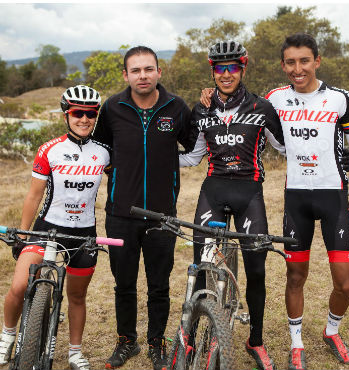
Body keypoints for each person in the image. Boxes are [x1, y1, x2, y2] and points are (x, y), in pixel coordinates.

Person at [180, 40, 286, 370]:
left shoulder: (262, 107)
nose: (226, 75)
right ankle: (191, 337)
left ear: (242, 69)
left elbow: (286, 148)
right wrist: (150, 156)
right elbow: (194, 156)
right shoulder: (202, 110)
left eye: (232, 68)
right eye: (219, 69)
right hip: (213, 190)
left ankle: (255, 340)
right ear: (212, 72)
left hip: (249, 194)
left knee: (256, 269)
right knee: (201, 266)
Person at [264, 33, 349, 370]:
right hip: (296, 198)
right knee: (295, 276)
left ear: (317, 61)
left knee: (345, 281)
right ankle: (296, 343)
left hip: (333, 196)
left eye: (304, 61)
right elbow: (248, 116)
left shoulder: (339, 99)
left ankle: (332, 330)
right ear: (283, 65)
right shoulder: (275, 98)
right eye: (291, 62)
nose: (298, 68)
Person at [92, 46, 193, 370]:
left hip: (163, 215)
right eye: (135, 70)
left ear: (159, 72)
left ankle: (156, 342)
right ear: (126, 75)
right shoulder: (112, 108)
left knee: (159, 285)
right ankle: (126, 342)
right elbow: (101, 150)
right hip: (120, 214)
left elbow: (194, 145)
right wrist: (119, 174)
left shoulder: (176, 107)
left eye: (148, 69)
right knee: (124, 283)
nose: (143, 75)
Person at [0, 85, 110, 370]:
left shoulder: (104, 153)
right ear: (66, 115)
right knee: (19, 285)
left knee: (76, 296)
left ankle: (74, 352)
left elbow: (126, 184)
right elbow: (34, 195)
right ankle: (7, 336)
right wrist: (23, 234)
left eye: (90, 114)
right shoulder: (50, 149)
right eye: (77, 113)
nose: (84, 119)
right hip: (46, 228)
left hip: (84, 233)